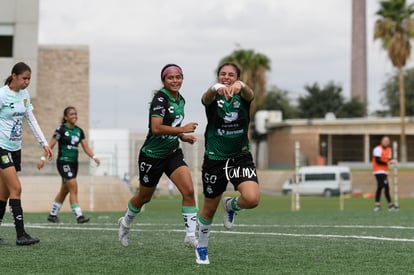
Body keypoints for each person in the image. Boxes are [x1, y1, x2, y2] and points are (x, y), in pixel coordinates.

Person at [118, 64, 199, 248]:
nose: (175, 81)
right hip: (152, 156)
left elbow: (172, 124)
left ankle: (190, 236)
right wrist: (182, 129)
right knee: (144, 197)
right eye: (170, 77)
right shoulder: (160, 100)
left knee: (189, 191)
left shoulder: (181, 100)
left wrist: (182, 137)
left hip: (172, 153)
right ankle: (125, 223)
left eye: (178, 77)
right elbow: (156, 128)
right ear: (164, 80)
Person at [195, 62, 260, 264]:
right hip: (215, 158)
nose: (226, 77)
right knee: (209, 209)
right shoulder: (213, 96)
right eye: (222, 74)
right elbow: (204, 99)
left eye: (231, 75)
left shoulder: (243, 95)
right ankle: (202, 246)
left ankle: (231, 206)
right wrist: (215, 88)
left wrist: (242, 85)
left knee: (252, 199)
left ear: (237, 77)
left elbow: (251, 94)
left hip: (240, 156)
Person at [0, 62, 53, 245]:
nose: (27, 82)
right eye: (24, 78)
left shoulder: (24, 95)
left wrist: (44, 143)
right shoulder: (2, 95)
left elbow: (31, 119)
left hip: (15, 149)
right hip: (1, 148)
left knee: (4, 193)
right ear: (13, 76)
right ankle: (21, 235)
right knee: (17, 188)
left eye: (29, 79)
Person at [37, 106, 100, 223]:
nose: (74, 116)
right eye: (71, 114)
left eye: (75, 114)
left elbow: (85, 147)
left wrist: (94, 157)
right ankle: (79, 216)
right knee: (73, 185)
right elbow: (50, 145)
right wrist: (42, 158)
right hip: (63, 162)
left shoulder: (79, 131)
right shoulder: (61, 130)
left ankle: (52, 215)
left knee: (65, 189)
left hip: (74, 163)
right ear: (66, 117)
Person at [372, 136, 399, 212]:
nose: (386, 142)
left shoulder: (389, 150)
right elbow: (378, 161)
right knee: (386, 186)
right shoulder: (377, 149)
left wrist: (392, 161)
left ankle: (377, 205)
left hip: (385, 171)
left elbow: (388, 160)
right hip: (378, 171)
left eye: (387, 141)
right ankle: (390, 205)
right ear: (382, 141)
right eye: (385, 140)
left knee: (380, 187)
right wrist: (389, 162)